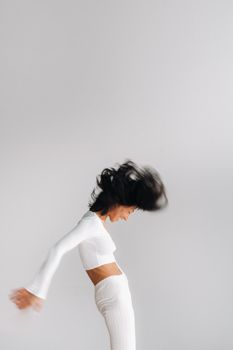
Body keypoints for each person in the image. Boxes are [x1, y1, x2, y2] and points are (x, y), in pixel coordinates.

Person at [9, 159, 168, 350]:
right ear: (120, 201)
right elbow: (57, 249)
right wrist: (38, 291)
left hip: (112, 293)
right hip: (114, 295)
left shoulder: (95, 222)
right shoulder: (90, 223)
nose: (126, 217)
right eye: (130, 211)